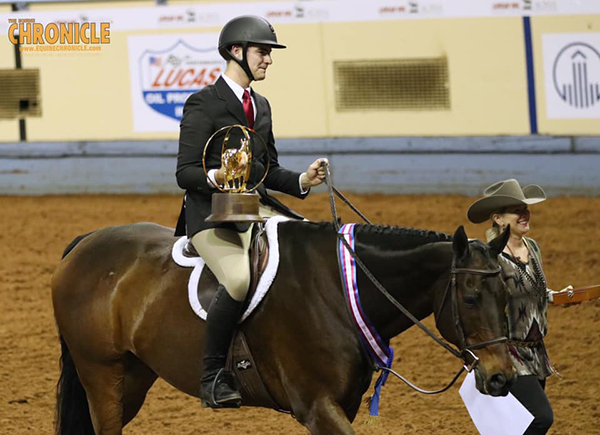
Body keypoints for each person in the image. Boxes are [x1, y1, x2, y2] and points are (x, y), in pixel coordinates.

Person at [175, 15, 327, 408]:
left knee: (313, 248)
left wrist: (303, 181)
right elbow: (184, 172)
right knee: (239, 280)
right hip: (211, 215)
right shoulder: (204, 102)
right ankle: (211, 377)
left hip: (256, 208)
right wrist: (216, 174)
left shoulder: (260, 106)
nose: (268, 61)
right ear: (237, 52)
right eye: (263, 52)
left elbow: (268, 170)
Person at [467, 179, 571, 435]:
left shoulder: (532, 247)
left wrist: (553, 296)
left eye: (525, 208)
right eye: (517, 210)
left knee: (518, 424)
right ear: (499, 219)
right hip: (508, 353)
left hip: (536, 352)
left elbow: (531, 288)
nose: (525, 214)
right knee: (541, 418)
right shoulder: (489, 258)